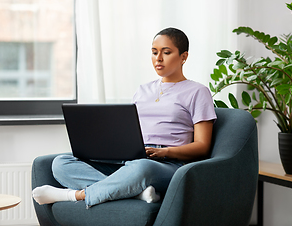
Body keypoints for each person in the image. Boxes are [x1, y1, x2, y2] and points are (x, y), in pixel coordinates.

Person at [32, 27, 217, 208]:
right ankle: (136, 193)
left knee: (142, 168)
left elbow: (202, 146)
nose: (158, 58)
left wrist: (165, 151)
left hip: (166, 164)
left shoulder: (198, 92)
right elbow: (129, 129)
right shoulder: (142, 90)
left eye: (166, 52)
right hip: (130, 159)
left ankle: (74, 196)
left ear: (183, 57)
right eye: (154, 52)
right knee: (61, 163)